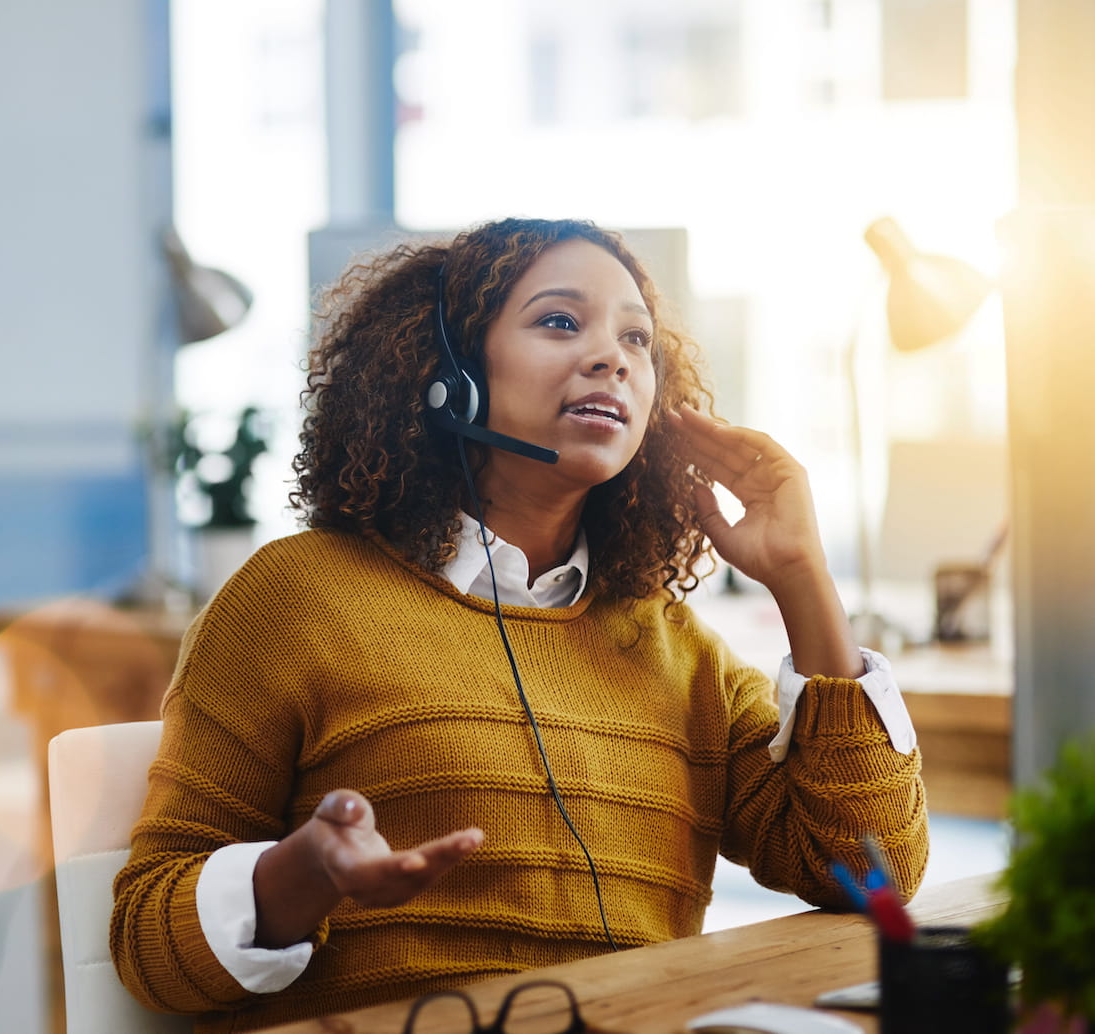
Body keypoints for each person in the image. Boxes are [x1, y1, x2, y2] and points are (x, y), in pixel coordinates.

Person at [111, 217, 927, 1032]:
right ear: (450, 374)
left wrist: (801, 577)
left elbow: (869, 872)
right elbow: (148, 942)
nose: (612, 356)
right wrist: (299, 876)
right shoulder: (296, 597)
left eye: (637, 340)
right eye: (559, 321)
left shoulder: (676, 652)